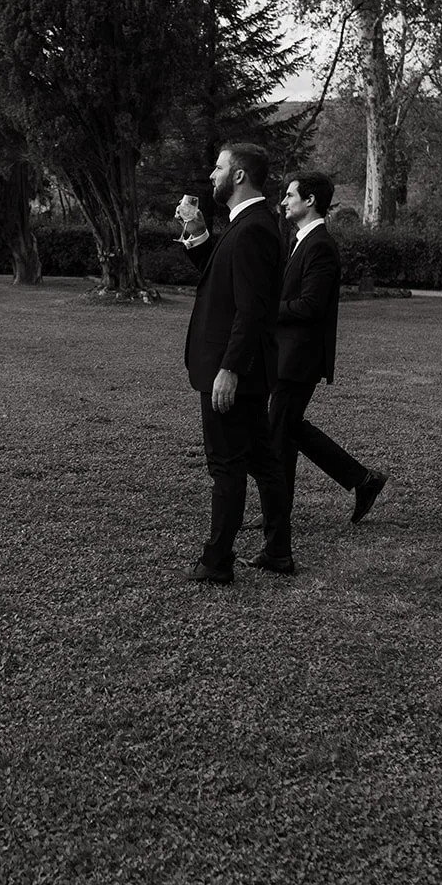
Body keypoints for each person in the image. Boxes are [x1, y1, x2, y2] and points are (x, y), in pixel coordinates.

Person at [181, 142, 294, 583]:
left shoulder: (254, 229)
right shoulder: (246, 224)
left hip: (233, 369)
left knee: (226, 464)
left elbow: (251, 310)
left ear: (239, 175)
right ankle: (278, 552)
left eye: (219, 167)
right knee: (262, 460)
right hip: (242, 366)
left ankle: (217, 562)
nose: (212, 175)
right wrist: (197, 233)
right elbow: (222, 276)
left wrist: (229, 369)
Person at [270, 170, 388, 523]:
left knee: (281, 428)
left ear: (309, 201)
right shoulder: (301, 240)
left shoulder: (320, 244)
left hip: (301, 357)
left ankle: (360, 480)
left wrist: (266, 310)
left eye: (290, 195)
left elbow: (310, 306)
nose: (283, 201)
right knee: (286, 429)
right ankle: (360, 481)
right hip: (288, 354)